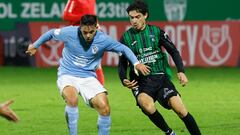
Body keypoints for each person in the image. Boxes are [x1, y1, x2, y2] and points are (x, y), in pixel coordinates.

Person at [26, 14, 150, 135]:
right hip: (67, 74)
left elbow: (123, 48)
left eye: (91, 32)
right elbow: (51, 33)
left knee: (105, 108)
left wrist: (136, 63)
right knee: (72, 99)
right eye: (85, 32)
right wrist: (35, 45)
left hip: (89, 77)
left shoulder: (103, 39)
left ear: (96, 27)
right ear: (80, 27)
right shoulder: (70, 32)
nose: (88, 35)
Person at [118, 0, 201, 135]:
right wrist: (123, 79)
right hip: (141, 83)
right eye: (131, 17)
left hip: (161, 79)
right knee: (147, 105)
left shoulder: (156, 32)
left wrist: (181, 71)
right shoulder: (126, 38)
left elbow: (173, 51)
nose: (134, 21)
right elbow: (122, 63)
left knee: (180, 109)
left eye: (137, 17)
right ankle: (169, 132)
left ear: (145, 15)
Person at [62, 0, 105, 85]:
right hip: (77, 34)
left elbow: (92, 16)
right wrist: (83, 17)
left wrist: (97, 27)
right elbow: (66, 15)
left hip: (91, 33)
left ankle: (101, 90)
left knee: (96, 64)